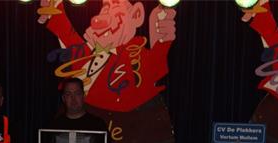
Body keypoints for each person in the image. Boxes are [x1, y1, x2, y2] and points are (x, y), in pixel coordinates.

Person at [37, 0, 176, 112]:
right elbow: (67, 32)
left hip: (124, 126)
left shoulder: (134, 54)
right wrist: (54, 8)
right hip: (83, 120)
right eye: (105, 9)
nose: (100, 18)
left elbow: (153, 69)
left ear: (135, 15)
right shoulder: (84, 51)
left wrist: (162, 43)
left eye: (115, 10)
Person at [43, 78, 115, 143]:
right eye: (68, 94)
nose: (73, 98)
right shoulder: (53, 126)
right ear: (63, 98)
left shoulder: (97, 124)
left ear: (83, 96)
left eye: (77, 93)